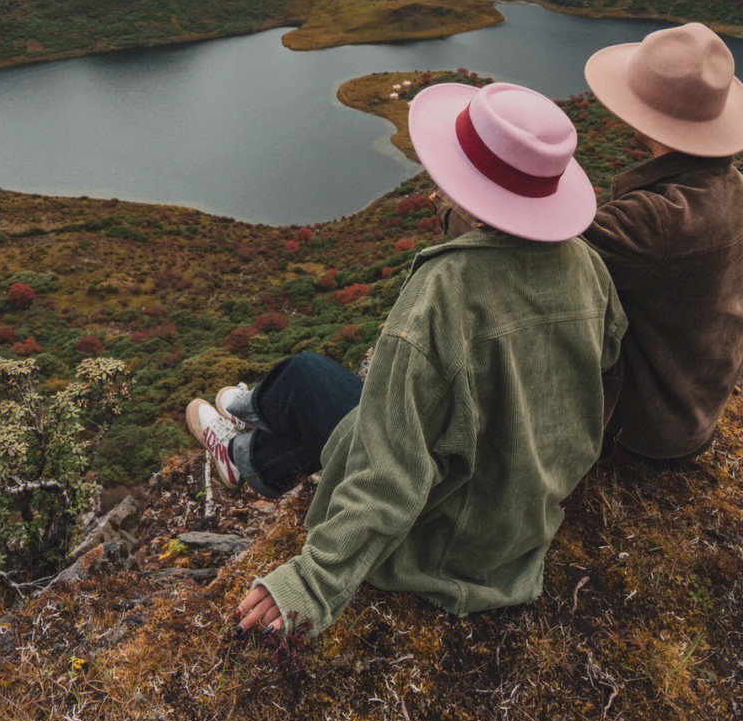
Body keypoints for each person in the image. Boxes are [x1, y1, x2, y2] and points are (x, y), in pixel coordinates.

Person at [186, 81, 625, 638]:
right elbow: (605, 363)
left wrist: (313, 580)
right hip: (522, 519)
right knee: (329, 402)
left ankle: (244, 441)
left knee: (308, 379)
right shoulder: (588, 267)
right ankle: (246, 447)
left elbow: (390, 469)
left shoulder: (443, 295)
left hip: (449, 543)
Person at [582, 22, 743, 465]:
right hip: (695, 415)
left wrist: (456, 206)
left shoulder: (656, 218)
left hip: (643, 433)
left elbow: (531, 255)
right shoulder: (742, 191)